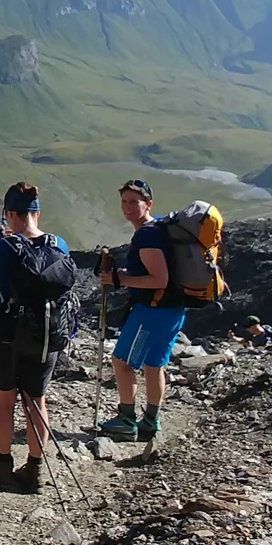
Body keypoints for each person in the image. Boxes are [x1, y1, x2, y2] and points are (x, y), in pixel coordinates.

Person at [0, 181, 69, 494]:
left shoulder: (2, 247)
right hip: (46, 335)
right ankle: (35, 469)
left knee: (4, 400)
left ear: (10, 214)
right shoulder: (59, 244)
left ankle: (3, 464)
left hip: (6, 335)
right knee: (36, 401)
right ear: (36, 213)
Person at [99, 178, 184, 442]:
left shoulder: (146, 235)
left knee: (123, 362)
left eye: (134, 202)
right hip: (172, 310)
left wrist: (121, 279)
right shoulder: (158, 228)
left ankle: (126, 420)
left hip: (151, 312)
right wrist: (126, 274)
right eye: (124, 201)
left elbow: (159, 279)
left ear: (148, 204)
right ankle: (150, 420)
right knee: (154, 364)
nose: (127, 207)